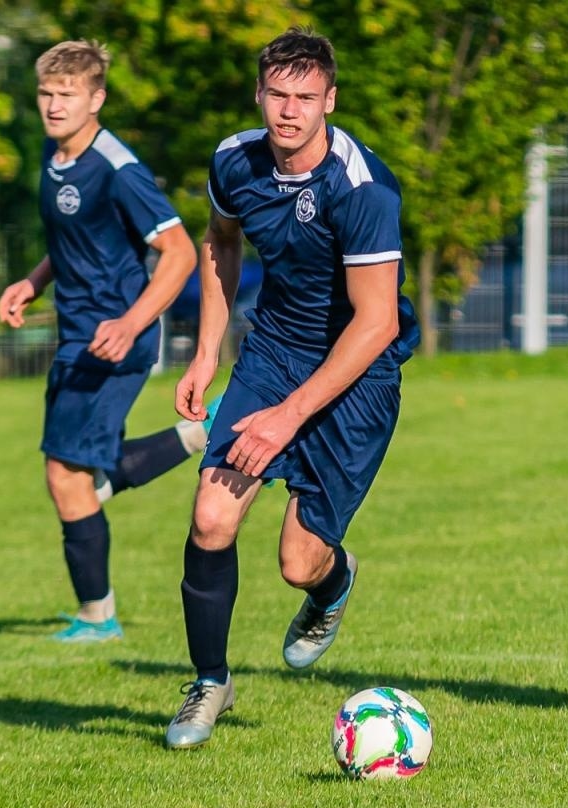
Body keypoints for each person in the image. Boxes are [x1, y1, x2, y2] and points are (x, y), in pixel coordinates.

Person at [164, 27, 419, 750]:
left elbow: (373, 324)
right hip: (273, 354)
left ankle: (332, 587)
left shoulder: (362, 187)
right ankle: (209, 682)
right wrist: (207, 352)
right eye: (278, 94)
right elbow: (221, 241)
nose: (289, 111)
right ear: (259, 94)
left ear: (329, 100)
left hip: (357, 375)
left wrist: (286, 418)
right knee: (212, 517)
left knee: (297, 562)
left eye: (306, 97)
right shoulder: (234, 162)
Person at [0, 39, 209, 643]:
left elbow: (179, 253)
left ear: (97, 98)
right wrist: (34, 281)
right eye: (46, 94)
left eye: (68, 95)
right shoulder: (53, 154)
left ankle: (99, 616)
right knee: (80, 473)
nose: (54, 105)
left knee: (67, 475)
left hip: (116, 340)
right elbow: (75, 239)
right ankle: (202, 433)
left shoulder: (118, 168)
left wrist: (130, 322)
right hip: (79, 337)